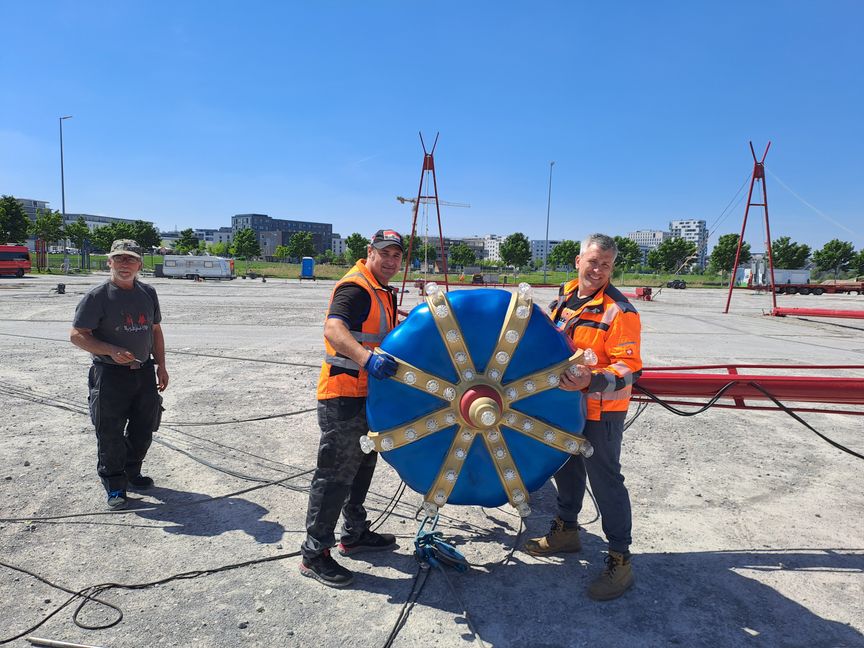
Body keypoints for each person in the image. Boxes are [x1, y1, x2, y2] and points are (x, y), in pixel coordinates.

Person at [524, 233, 642, 601]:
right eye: (593, 261)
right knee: (565, 466)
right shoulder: (564, 297)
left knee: (605, 480)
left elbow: (631, 368)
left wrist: (593, 380)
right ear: (579, 261)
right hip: (566, 406)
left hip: (601, 411)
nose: (598, 269)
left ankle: (620, 560)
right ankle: (566, 531)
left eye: (605, 264)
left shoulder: (619, 311)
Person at [300, 229, 404, 587]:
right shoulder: (356, 287)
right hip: (343, 396)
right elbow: (334, 329)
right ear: (369, 252)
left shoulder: (379, 290)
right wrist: (366, 358)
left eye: (396, 256)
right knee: (334, 476)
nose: (390, 261)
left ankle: (354, 533)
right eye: (384, 253)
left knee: (363, 465)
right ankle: (314, 554)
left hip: (366, 396)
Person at [70, 239, 169, 510]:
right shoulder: (97, 297)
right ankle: (114, 485)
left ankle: (132, 471)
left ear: (139, 264)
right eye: (119, 259)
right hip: (110, 374)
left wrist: (161, 365)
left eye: (131, 259)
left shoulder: (148, 293)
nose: (125, 264)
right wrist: (110, 349)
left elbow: (156, 331)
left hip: (144, 371)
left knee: (144, 427)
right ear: (109, 262)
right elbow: (77, 335)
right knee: (110, 431)